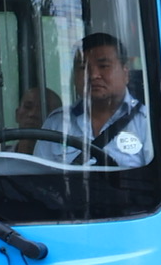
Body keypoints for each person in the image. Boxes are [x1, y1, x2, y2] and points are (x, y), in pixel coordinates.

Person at [45, 32, 154, 166]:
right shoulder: (56, 123)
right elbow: (37, 179)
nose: (93, 75)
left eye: (103, 66)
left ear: (125, 73)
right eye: (83, 68)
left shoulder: (148, 122)